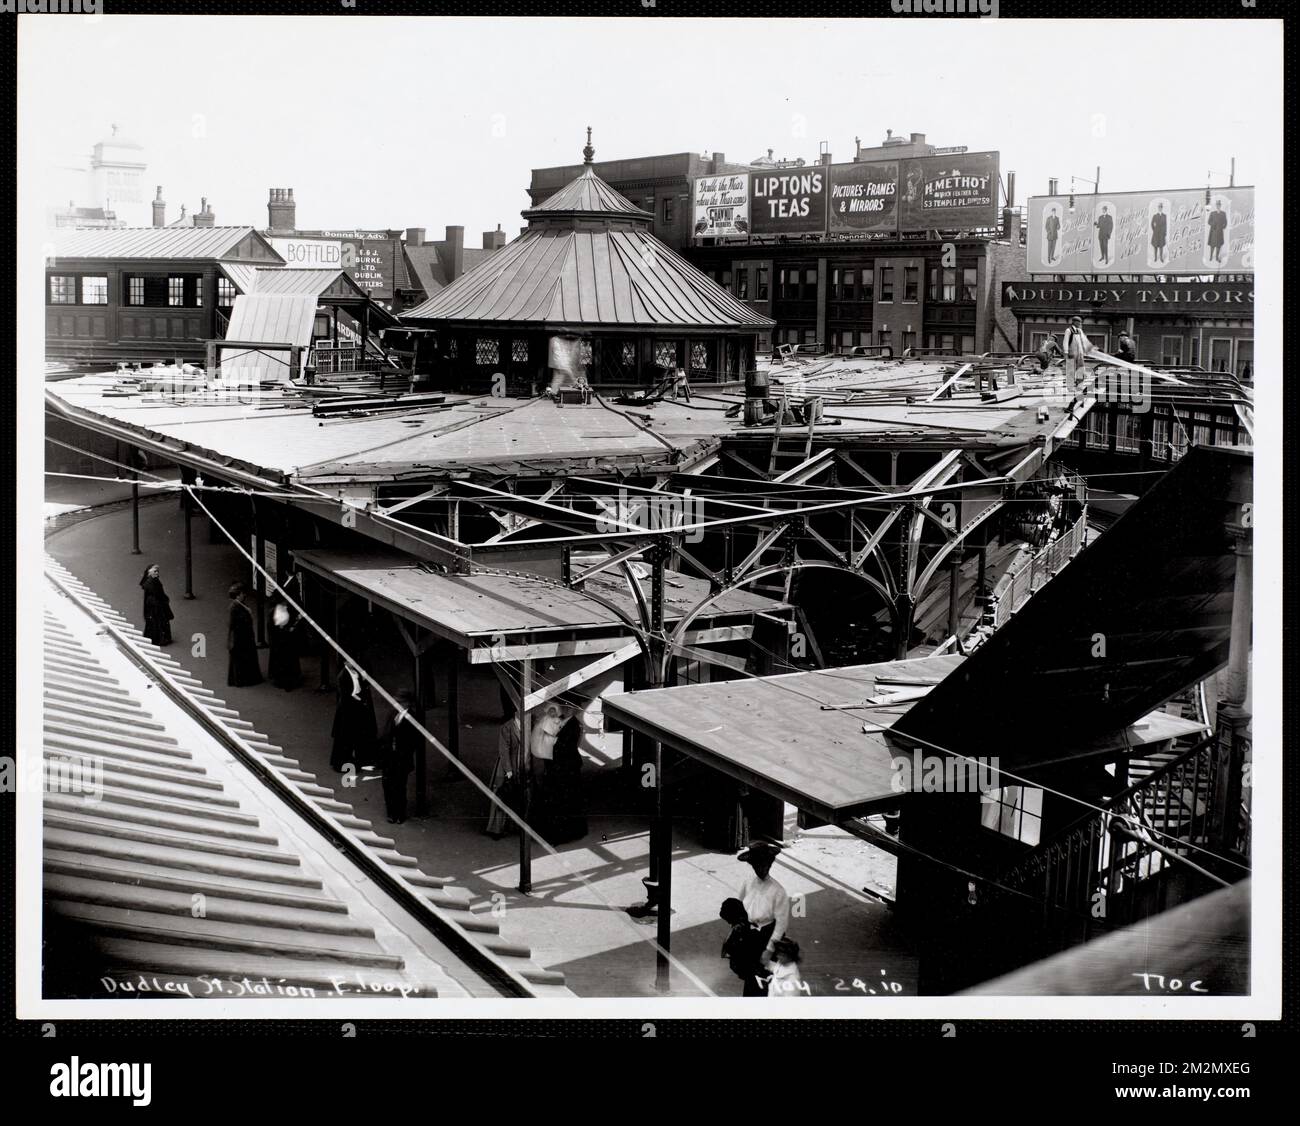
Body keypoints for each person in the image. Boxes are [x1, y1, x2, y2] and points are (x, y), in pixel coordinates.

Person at [736, 840, 791, 965]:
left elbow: (781, 924)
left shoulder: (778, 891)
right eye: (757, 866)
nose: (761, 869)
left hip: (767, 935)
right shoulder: (748, 882)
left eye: (764, 865)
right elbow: (739, 905)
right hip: (749, 933)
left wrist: (769, 950)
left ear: (769, 865)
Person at [378, 688, 422, 824]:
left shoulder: (412, 718)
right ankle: (391, 812)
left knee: (399, 786)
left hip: (401, 758)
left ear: (407, 703)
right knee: (387, 784)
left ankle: (399, 813)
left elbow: (414, 741)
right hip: (389, 757)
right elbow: (386, 734)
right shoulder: (392, 713)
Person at [546, 714, 588, 844]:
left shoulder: (573, 725)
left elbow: (566, 745)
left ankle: (563, 834)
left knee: (566, 800)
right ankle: (563, 833)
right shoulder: (565, 722)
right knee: (563, 800)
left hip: (566, 767)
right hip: (561, 766)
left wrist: (553, 742)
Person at [330, 661, 377, 773]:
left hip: (354, 709)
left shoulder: (356, 673)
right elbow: (346, 695)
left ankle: (359, 759)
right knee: (345, 738)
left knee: (354, 737)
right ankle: (341, 763)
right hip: (347, 711)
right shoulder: (343, 676)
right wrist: (360, 700)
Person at [486, 701, 523, 838]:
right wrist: (509, 770)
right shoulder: (507, 727)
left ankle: (513, 827)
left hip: (520, 765)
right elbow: (503, 750)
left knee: (515, 796)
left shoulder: (529, 725)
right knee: (502, 796)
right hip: (507, 766)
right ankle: (496, 829)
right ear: (515, 712)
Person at [719, 897, 768, 997]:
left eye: (730, 921)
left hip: (757, 974)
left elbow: (730, 955)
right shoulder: (754, 920)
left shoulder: (739, 932)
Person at [226, 582, 262, 687]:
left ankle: (240, 679)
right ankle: (242, 680)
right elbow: (233, 624)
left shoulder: (237, 605)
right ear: (238, 595)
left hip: (242, 637)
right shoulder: (235, 608)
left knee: (240, 660)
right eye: (242, 593)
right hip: (241, 638)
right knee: (242, 659)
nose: (244, 595)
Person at [267, 600, 303, 691]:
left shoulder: (273, 612)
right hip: (284, 644)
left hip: (279, 644)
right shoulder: (280, 614)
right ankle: (288, 683)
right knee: (288, 664)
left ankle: (281, 681)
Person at [139, 564, 173, 647]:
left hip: (154, 604)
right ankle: (160, 639)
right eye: (155, 571)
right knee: (158, 621)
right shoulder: (151, 582)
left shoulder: (152, 581)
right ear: (149, 572)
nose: (157, 573)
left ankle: (156, 638)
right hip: (155, 605)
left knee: (156, 621)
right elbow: (158, 593)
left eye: (157, 571)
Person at [1063, 315, 1093, 386]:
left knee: (1081, 367)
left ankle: (1079, 382)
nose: (1080, 323)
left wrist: (1089, 347)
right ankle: (1070, 383)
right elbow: (1065, 342)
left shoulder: (1080, 331)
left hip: (1080, 353)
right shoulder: (1069, 330)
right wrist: (1066, 353)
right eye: (1079, 322)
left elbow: (1084, 340)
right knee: (1071, 369)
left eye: (1080, 322)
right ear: (1074, 322)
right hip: (1071, 352)